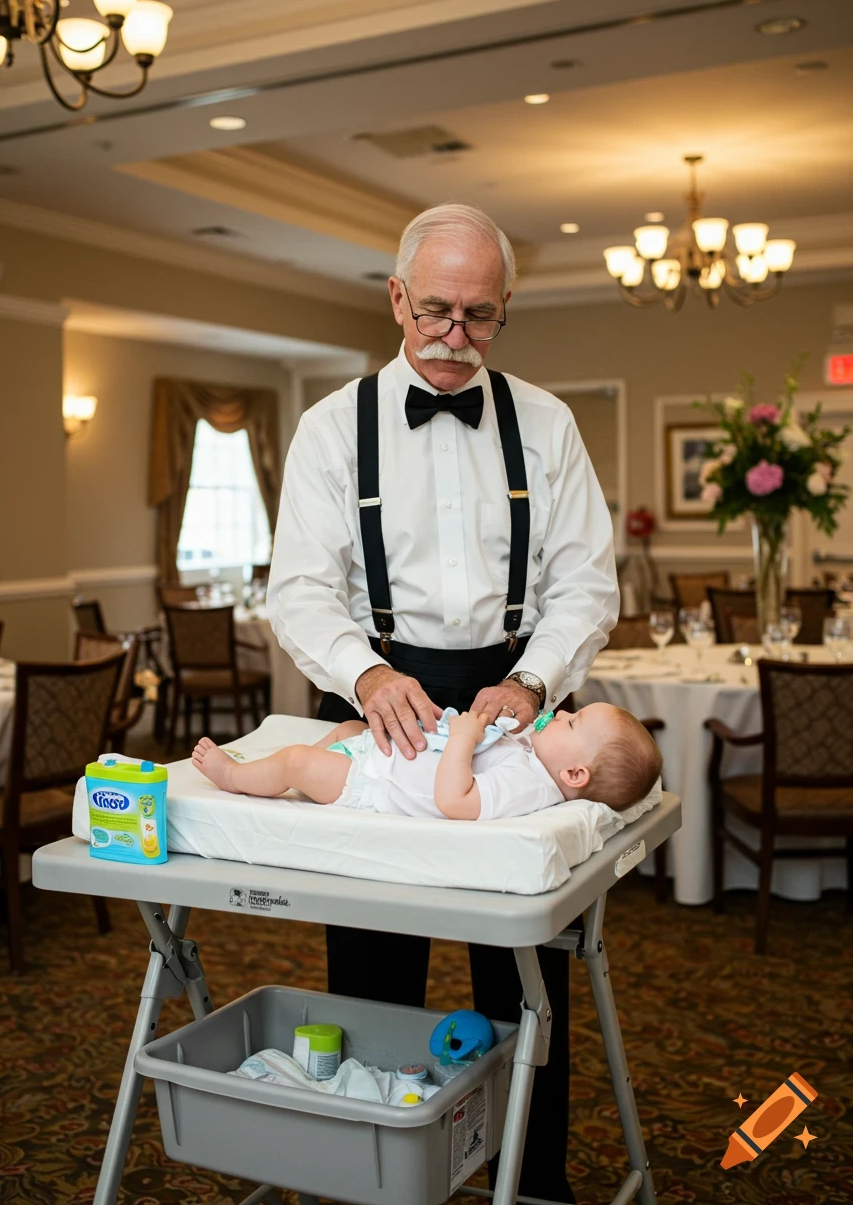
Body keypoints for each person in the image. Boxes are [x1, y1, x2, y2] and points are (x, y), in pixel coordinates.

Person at [267, 202, 619, 1202]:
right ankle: (380, 1175)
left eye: (478, 315)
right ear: (395, 299)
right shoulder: (331, 427)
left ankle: (534, 1178)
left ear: (503, 307)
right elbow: (297, 587)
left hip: (522, 707)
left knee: (527, 972)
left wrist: (535, 678)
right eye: (434, 313)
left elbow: (585, 583)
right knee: (374, 965)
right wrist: (364, 672)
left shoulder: (545, 422)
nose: (454, 338)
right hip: (385, 699)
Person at [191, 703, 662, 818]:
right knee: (352, 729)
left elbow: (456, 800)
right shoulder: (535, 758)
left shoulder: (532, 786)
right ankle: (296, 768)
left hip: (370, 784)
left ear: (574, 774)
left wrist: (464, 737)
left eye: (573, 722)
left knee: (296, 760)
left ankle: (233, 775)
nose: (560, 712)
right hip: (377, 756)